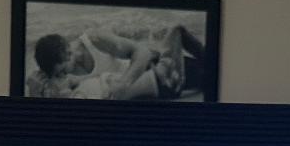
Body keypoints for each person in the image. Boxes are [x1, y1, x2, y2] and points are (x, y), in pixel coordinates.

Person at [26, 23, 205, 101]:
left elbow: (142, 52)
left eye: (62, 71)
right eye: (58, 74)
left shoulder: (95, 39)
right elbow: (41, 86)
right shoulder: (58, 74)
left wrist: (124, 83)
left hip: (158, 68)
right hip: (156, 84)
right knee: (209, 75)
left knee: (179, 33)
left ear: (68, 53)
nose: (64, 75)